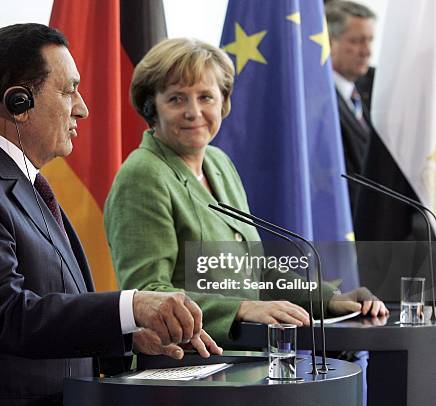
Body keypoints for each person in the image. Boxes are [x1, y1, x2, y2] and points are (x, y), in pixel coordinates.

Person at [0, 24, 222, 406]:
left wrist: (126, 332)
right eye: (69, 90)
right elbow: (5, 316)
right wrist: (131, 306)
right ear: (19, 102)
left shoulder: (7, 174)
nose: (82, 108)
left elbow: (47, 302)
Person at [104, 38, 388, 348]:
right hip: (182, 366)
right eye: (176, 99)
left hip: (242, 358)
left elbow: (252, 268)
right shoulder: (144, 175)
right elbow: (149, 294)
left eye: (206, 97)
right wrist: (241, 309)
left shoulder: (218, 163)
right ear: (151, 108)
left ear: (223, 103)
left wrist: (330, 299)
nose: (193, 111)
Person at [325, 0, 377, 210]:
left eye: (370, 41)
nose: (367, 51)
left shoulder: (369, 88)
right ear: (329, 42)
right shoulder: (319, 102)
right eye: (356, 41)